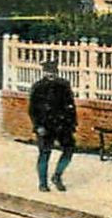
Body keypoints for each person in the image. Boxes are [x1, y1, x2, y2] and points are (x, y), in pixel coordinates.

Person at [29, 59, 78, 192]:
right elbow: (32, 109)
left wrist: (73, 123)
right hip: (45, 126)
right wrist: (38, 126)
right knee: (44, 153)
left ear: (57, 72)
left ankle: (57, 176)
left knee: (69, 150)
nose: (51, 74)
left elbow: (71, 106)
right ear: (43, 72)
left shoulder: (64, 85)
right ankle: (43, 183)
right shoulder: (38, 87)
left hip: (63, 125)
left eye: (53, 71)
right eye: (48, 71)